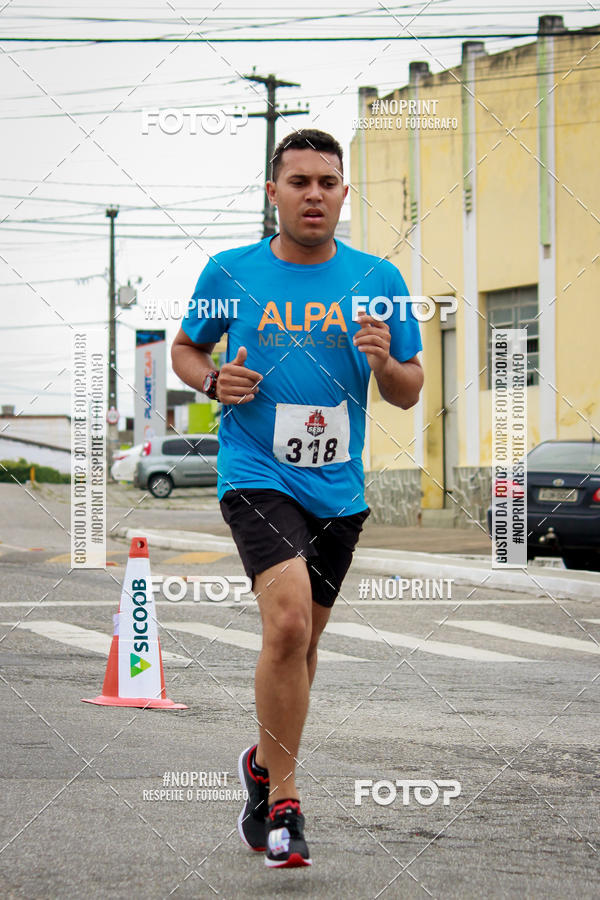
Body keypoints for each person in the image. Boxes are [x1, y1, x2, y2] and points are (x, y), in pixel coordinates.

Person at [171, 128, 424, 868]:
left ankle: (260, 764)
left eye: (327, 182)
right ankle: (284, 803)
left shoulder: (378, 278)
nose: (314, 194)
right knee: (285, 624)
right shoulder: (231, 271)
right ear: (273, 193)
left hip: (337, 486)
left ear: (343, 194)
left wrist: (384, 362)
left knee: (303, 643)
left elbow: (409, 391)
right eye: (299, 181)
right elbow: (186, 348)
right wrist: (212, 379)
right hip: (256, 472)